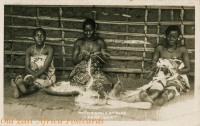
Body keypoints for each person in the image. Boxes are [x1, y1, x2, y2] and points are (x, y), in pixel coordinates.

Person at [70, 18, 121, 99]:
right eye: (85, 30)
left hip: (96, 72)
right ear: (83, 30)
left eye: (90, 30)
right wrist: (82, 57)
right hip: (81, 72)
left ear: (94, 29)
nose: (88, 33)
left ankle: (101, 90)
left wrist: (98, 56)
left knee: (105, 86)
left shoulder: (100, 42)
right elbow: (73, 61)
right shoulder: (79, 42)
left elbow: (105, 61)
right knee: (77, 88)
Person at [139, 25, 191, 106]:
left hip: (176, 76)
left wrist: (173, 71)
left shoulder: (182, 49)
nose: (171, 39)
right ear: (165, 36)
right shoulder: (160, 48)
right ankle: (150, 97)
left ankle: (165, 98)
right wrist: (162, 69)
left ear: (178, 37)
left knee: (172, 88)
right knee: (157, 87)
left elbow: (188, 68)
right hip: (162, 75)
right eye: (169, 36)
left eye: (174, 37)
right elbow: (153, 65)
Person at [11, 28, 56, 98]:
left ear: (45, 38)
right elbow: (27, 67)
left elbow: (45, 67)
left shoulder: (49, 49)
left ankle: (21, 91)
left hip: (46, 75)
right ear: (33, 38)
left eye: (42, 36)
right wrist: (32, 76)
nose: (39, 38)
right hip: (32, 73)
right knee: (28, 81)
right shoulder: (29, 50)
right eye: (37, 35)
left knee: (36, 86)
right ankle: (20, 85)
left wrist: (34, 77)